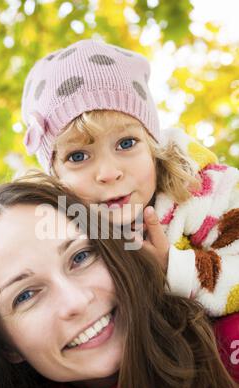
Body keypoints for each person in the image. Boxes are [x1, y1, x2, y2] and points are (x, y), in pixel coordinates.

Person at [0, 174, 239, 388]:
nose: (76, 301)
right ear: (4, 344)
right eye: (26, 295)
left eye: (81, 257)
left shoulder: (229, 350)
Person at [21, 38, 239, 317]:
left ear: (152, 145)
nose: (109, 173)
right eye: (78, 157)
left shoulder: (202, 188)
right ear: (56, 177)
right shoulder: (62, 234)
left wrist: (172, 268)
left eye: (125, 144)